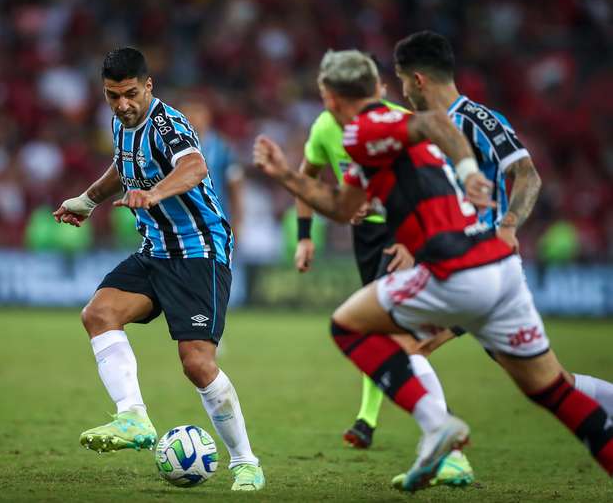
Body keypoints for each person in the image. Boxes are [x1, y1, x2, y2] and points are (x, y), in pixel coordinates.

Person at [254, 49, 613, 491]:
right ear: (379, 87)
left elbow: (434, 122)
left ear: (329, 98)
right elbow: (343, 206)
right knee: (553, 390)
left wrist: (467, 168)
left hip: (455, 270)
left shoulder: (371, 125)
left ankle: (436, 424)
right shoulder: (369, 138)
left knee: (349, 326)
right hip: (500, 270)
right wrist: (285, 175)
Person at [53, 48, 264, 492]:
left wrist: (154, 195)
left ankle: (246, 462)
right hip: (156, 251)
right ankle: (133, 417)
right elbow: (123, 168)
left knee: (197, 364)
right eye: (113, 96)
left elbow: (194, 166)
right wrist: (88, 200)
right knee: (98, 314)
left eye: (131, 94)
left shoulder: (169, 124)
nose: (123, 105)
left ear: (148, 86)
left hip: (199, 251)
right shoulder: (119, 124)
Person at [392, 29, 613, 418]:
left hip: (481, 265)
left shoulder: (478, 120)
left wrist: (508, 224)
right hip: (461, 267)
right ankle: (445, 445)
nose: (403, 91)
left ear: (418, 79)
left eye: (402, 80)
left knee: (404, 345)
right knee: (550, 383)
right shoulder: (422, 129)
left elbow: (528, 175)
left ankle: (446, 446)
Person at [295, 69, 473, 487]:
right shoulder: (325, 128)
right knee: (388, 334)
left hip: (406, 232)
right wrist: (306, 237)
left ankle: (412, 433)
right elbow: (308, 180)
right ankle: (423, 430)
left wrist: (414, 240)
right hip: (368, 238)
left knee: (387, 334)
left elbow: (435, 182)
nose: (334, 107)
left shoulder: (400, 122)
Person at [179, 99, 244, 237]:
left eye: (197, 112)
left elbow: (235, 185)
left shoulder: (222, 147)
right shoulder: (169, 147)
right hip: (182, 223)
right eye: (187, 112)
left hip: (215, 221)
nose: (192, 117)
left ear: (207, 117)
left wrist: (237, 221)